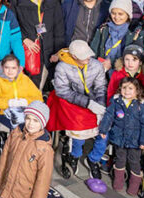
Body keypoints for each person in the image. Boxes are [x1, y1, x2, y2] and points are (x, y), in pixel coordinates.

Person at [0, 101, 72, 198]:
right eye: (28, 118)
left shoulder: (44, 149)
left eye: (36, 121)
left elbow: (42, 181)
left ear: (42, 123)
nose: (30, 124)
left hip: (29, 189)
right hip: (16, 184)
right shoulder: (17, 132)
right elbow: (4, 159)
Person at [46, 40, 108, 179]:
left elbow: (100, 87)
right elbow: (62, 91)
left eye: (88, 55)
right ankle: (75, 154)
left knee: (104, 132)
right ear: (74, 56)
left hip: (93, 101)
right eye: (84, 56)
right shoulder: (62, 67)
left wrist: (100, 105)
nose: (88, 58)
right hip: (73, 102)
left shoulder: (96, 65)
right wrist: (87, 103)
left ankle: (93, 159)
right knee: (79, 132)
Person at [87, 75, 144, 195]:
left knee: (134, 162)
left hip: (135, 140)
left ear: (137, 91)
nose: (126, 91)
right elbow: (108, 116)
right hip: (119, 138)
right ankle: (118, 182)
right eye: (124, 88)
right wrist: (103, 130)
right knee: (120, 159)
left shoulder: (142, 105)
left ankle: (134, 186)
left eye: (130, 88)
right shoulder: (116, 101)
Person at [13, 0, 66, 89]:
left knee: (41, 84)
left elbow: (58, 27)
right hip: (27, 47)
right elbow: (12, 24)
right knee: (26, 81)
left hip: (47, 47)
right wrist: (24, 39)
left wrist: (58, 51)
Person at [0, 55, 42, 131]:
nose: (10, 71)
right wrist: (8, 103)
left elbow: (38, 97)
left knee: (37, 125)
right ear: (2, 68)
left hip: (26, 111)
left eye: (13, 68)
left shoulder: (25, 79)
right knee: (22, 127)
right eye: (7, 67)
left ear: (18, 68)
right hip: (5, 113)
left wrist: (26, 102)